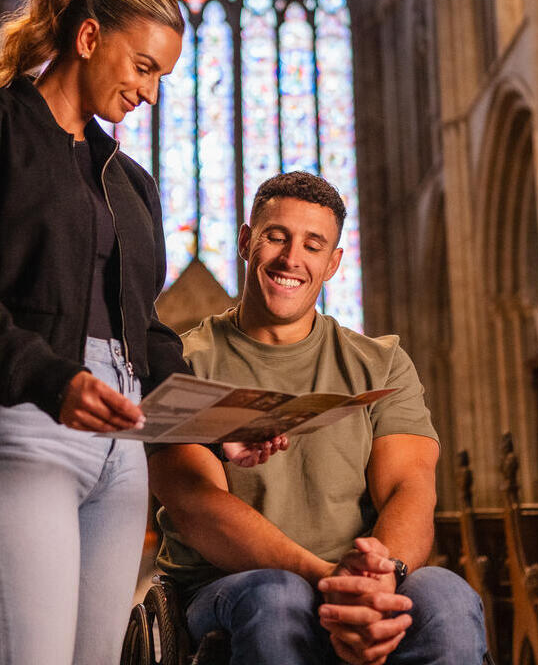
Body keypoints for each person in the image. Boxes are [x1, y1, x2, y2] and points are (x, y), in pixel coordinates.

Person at [0, 0, 269, 665]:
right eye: (144, 67)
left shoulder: (130, 182)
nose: (151, 94)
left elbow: (147, 334)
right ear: (90, 37)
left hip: (121, 454)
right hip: (18, 424)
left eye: (162, 77)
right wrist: (56, 380)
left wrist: (215, 425)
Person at [149, 172, 489, 665]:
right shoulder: (182, 362)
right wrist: (328, 579)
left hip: (363, 576)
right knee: (276, 598)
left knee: (448, 598)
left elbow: (409, 487)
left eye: (313, 245)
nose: (292, 258)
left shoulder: (381, 363)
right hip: (230, 585)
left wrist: (378, 579)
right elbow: (196, 503)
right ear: (245, 242)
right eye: (276, 237)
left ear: (333, 264)